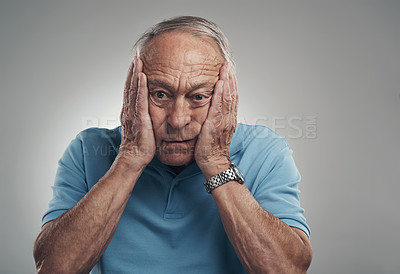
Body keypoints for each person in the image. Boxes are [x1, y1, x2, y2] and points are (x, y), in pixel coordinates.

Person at [33, 16, 312, 273]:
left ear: (225, 94)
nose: (178, 120)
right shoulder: (87, 149)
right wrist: (129, 159)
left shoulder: (266, 150)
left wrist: (216, 163)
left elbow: (287, 270)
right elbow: (52, 268)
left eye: (199, 97)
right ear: (134, 91)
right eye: (160, 94)